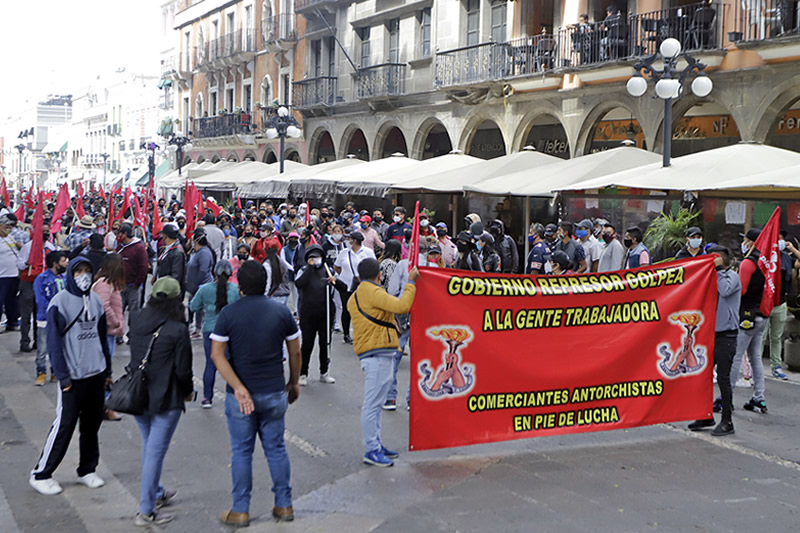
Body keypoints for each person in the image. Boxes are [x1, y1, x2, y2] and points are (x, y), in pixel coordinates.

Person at [210, 261, 301, 526]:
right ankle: (284, 505)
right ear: (266, 284)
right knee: (276, 449)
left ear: (240, 286)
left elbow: (217, 355)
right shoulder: (281, 312)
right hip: (274, 391)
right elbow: (295, 351)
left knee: (241, 452)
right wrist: (293, 382)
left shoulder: (228, 314)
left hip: (240, 396)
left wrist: (238, 388)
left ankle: (241, 510)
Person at [29, 256, 111, 496]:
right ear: (70, 274)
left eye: (87, 270)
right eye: (78, 271)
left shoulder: (95, 301)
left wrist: (107, 371)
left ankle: (87, 469)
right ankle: (41, 473)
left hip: (95, 373)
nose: (83, 275)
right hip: (72, 377)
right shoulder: (59, 303)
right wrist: (62, 375)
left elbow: (102, 335)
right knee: (64, 426)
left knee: (91, 425)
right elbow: (54, 344)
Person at [129, 276, 194, 526]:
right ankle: (145, 511)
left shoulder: (135, 318)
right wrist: (188, 391)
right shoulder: (178, 329)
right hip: (166, 396)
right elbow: (183, 370)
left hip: (138, 394)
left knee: (149, 447)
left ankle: (155, 492)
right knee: (154, 452)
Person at [348, 258, 418, 467]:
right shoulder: (371, 292)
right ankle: (371, 448)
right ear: (379, 275)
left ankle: (376, 444)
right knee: (372, 405)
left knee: (376, 404)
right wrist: (411, 283)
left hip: (378, 352)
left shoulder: (359, 294)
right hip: (376, 354)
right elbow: (402, 306)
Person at [689, 245, 739, 437]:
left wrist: (718, 270)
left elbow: (725, 291)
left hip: (726, 335)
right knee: (703, 375)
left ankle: (727, 420)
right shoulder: (713, 278)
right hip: (710, 334)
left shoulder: (731, 277)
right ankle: (705, 414)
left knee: (723, 378)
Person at [729, 228, 769, 413]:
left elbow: (741, 290)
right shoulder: (766, 261)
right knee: (755, 358)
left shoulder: (747, 263)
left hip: (747, 316)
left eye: (745, 240)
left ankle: (726, 397)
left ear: (750, 242)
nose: (743, 243)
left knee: (736, 355)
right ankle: (759, 397)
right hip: (762, 315)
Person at [189, 261, 240, 408]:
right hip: (231, 331)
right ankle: (233, 393)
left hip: (210, 330)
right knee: (232, 363)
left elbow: (193, 306)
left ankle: (207, 398)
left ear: (214, 273)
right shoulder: (236, 289)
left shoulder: (205, 289)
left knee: (210, 365)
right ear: (231, 274)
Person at [295, 244, 344, 386]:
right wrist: (310, 268)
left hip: (326, 313)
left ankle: (324, 372)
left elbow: (343, 288)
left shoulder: (328, 271)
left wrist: (335, 281)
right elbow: (299, 284)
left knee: (325, 343)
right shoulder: (304, 270)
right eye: (312, 258)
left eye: (317, 257)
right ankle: (303, 373)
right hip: (308, 314)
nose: (315, 260)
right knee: (307, 344)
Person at [91, 254, 126, 421]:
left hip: (109, 332)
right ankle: (105, 406)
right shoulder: (105, 284)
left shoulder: (108, 283)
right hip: (106, 332)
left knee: (105, 369)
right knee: (105, 370)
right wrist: (115, 322)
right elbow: (103, 306)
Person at [17, 222, 58, 352]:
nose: (45, 233)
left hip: (44, 285)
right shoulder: (28, 247)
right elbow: (19, 264)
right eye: (43, 231)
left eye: (47, 231)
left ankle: (38, 341)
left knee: (40, 315)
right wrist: (27, 263)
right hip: (29, 282)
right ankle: (24, 342)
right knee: (26, 316)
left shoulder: (51, 248)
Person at [32, 251, 68, 385]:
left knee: (59, 347)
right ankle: (41, 372)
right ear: (55, 263)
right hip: (45, 319)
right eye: (63, 261)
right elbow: (40, 300)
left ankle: (55, 372)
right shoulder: (42, 278)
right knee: (42, 348)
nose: (66, 263)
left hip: (62, 319)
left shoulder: (64, 279)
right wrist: (53, 310)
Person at [762, 230, 793, 380]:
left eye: (781, 240)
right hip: (765, 303)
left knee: (776, 337)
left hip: (780, 304)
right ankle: (755, 368)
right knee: (760, 338)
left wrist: (792, 249)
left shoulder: (787, 258)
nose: (778, 242)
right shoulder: (764, 257)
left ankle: (776, 366)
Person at [334, 231, 376, 344]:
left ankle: (363, 334)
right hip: (345, 285)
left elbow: (374, 267)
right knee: (346, 309)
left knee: (362, 310)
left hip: (362, 285)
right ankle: (346, 334)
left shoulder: (368, 252)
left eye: (350, 239)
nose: (348, 241)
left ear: (355, 241)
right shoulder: (344, 252)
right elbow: (337, 266)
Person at [117, 222, 149, 327]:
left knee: (134, 312)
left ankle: (133, 333)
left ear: (125, 234)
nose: (118, 236)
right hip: (120, 285)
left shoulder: (139, 248)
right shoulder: (119, 247)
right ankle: (119, 334)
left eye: (120, 233)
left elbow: (144, 267)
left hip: (133, 286)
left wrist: (137, 283)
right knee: (118, 310)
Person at [186, 228, 215, 338]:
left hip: (201, 284)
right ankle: (194, 326)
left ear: (196, 241)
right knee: (193, 306)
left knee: (199, 307)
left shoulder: (204, 253)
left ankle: (199, 328)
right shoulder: (197, 252)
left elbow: (203, 270)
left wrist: (196, 283)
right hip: (194, 284)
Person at [0, 214, 21, 332]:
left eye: (10, 226)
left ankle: (12, 322)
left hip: (14, 274)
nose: (9, 228)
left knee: (12, 300)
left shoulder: (10, 238)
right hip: (2, 275)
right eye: (6, 226)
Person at [155, 225, 186, 291]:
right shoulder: (166, 248)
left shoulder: (177, 252)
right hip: (162, 285)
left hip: (167, 290)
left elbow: (176, 276)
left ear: (165, 236)